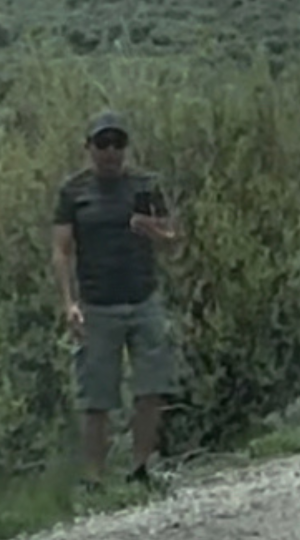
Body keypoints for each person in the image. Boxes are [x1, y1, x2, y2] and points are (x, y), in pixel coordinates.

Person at [51, 110, 180, 490]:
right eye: (103, 144)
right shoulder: (73, 192)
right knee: (96, 396)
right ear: (88, 147)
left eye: (117, 143)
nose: (110, 152)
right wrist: (68, 302)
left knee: (151, 388)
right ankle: (94, 479)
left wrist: (154, 230)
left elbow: (175, 239)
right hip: (97, 304)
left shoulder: (145, 185)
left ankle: (140, 469)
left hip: (143, 299)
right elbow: (61, 250)